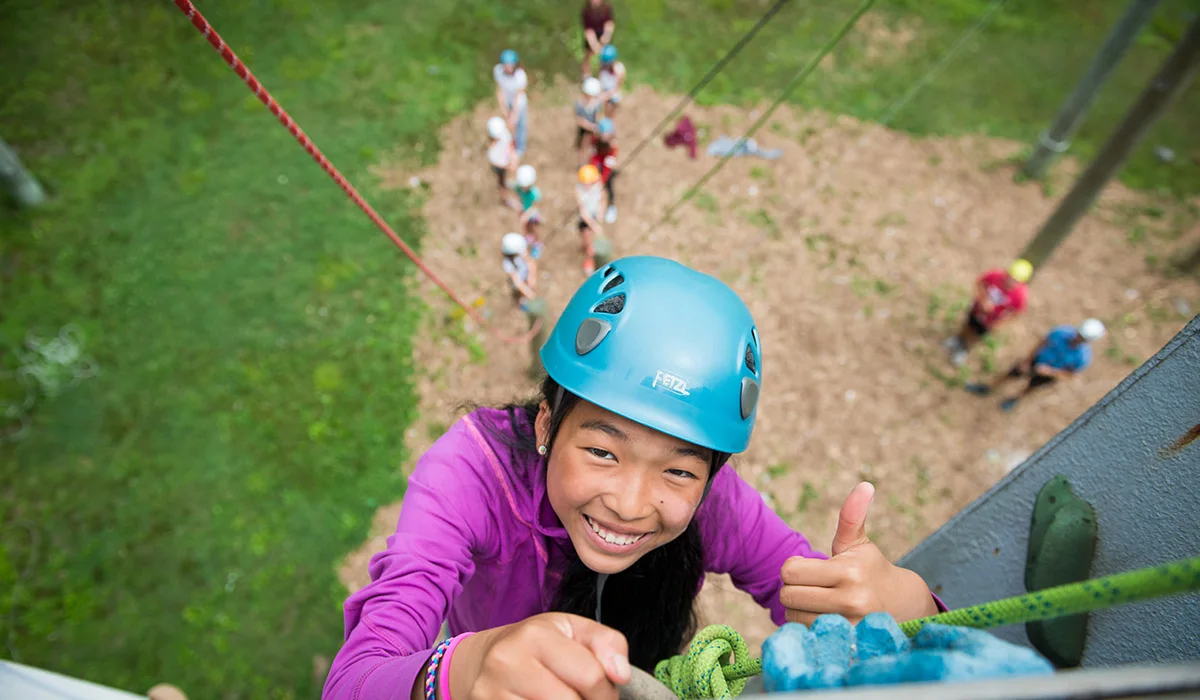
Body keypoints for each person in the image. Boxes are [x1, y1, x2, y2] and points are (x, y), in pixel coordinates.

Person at [322, 255, 944, 700]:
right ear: (547, 424)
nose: (630, 503)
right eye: (602, 451)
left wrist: (906, 609)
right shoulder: (470, 476)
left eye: (677, 468)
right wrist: (468, 669)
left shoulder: (713, 504)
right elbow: (354, 679)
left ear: (710, 475)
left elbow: (809, 598)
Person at [966, 319, 1106, 412]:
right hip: (1037, 361)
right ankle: (988, 388)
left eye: (1082, 338)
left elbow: (1069, 374)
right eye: (1078, 334)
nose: (1077, 338)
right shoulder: (1061, 333)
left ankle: (1014, 399)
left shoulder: (1082, 358)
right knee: (1012, 374)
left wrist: (1050, 372)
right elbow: (1042, 343)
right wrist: (1028, 360)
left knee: (1031, 387)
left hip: (1048, 373)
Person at [946, 259, 1033, 367]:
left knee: (976, 336)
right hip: (977, 309)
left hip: (990, 321)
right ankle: (958, 340)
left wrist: (1000, 323)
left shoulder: (1020, 296)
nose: (1009, 282)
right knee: (968, 324)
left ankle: (964, 350)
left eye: (1014, 281)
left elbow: (1016, 313)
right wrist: (983, 299)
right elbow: (980, 283)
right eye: (1009, 276)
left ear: (1021, 282)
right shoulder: (995, 275)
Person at [493, 49, 530, 159]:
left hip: (519, 104)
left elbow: (517, 97)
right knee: (507, 125)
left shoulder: (520, 76)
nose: (508, 68)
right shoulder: (498, 71)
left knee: (520, 125)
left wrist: (513, 115)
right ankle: (508, 145)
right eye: (506, 65)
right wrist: (504, 110)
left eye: (510, 65)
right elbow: (499, 91)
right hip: (507, 101)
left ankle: (520, 149)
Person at [575, 164, 608, 274]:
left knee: (594, 243)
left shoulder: (599, 187)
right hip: (586, 220)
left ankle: (590, 259)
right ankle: (588, 257)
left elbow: (603, 201)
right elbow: (582, 211)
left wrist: (600, 215)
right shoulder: (579, 190)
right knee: (587, 240)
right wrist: (593, 225)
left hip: (595, 216)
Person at [590, 118, 619, 224]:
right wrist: (594, 170)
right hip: (598, 162)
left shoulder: (613, 145)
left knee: (609, 186)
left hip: (606, 164)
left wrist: (602, 179)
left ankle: (611, 205)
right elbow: (594, 156)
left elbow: (608, 165)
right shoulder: (595, 139)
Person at [512, 164, 544, 259]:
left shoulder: (535, 192)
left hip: (533, 213)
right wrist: (519, 208)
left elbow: (536, 206)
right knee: (526, 226)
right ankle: (529, 238)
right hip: (524, 211)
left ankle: (537, 244)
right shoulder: (518, 188)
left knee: (534, 228)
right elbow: (517, 197)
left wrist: (527, 215)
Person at [486, 117, 518, 208]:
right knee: (501, 182)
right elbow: (494, 162)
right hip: (501, 166)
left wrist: (513, 158)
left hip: (506, 161)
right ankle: (505, 199)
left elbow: (510, 144)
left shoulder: (505, 134)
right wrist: (507, 166)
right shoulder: (491, 151)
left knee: (508, 177)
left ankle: (509, 184)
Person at [500, 232, 538, 309]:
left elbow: (530, 262)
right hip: (519, 280)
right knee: (519, 292)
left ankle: (523, 296)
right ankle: (521, 300)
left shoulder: (522, 252)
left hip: (525, 275)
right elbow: (517, 282)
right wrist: (529, 293)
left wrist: (531, 277)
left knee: (528, 288)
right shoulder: (508, 263)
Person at [581, 0, 615, 77]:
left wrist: (606, 36)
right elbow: (588, 31)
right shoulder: (586, 11)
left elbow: (609, 23)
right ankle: (586, 76)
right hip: (592, 35)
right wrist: (595, 45)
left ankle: (604, 75)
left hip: (603, 33)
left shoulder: (607, 8)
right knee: (588, 55)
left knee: (606, 56)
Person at [575, 77, 604, 166]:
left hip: (594, 130)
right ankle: (582, 165)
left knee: (593, 148)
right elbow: (579, 120)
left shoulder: (596, 104)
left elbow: (599, 116)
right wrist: (591, 126)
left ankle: (592, 163)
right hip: (585, 130)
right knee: (583, 147)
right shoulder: (580, 104)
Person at [597, 45, 626, 118]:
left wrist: (606, 96)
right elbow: (600, 80)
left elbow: (616, 88)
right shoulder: (602, 68)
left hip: (612, 93)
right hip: (603, 91)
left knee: (611, 104)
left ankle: (608, 120)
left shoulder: (619, 69)